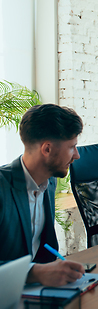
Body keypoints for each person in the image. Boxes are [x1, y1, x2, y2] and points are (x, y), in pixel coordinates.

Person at [0, 104, 85, 286]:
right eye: (72, 147)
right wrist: (35, 272)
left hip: (37, 292)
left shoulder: (49, 181)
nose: (77, 155)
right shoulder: (2, 188)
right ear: (47, 149)